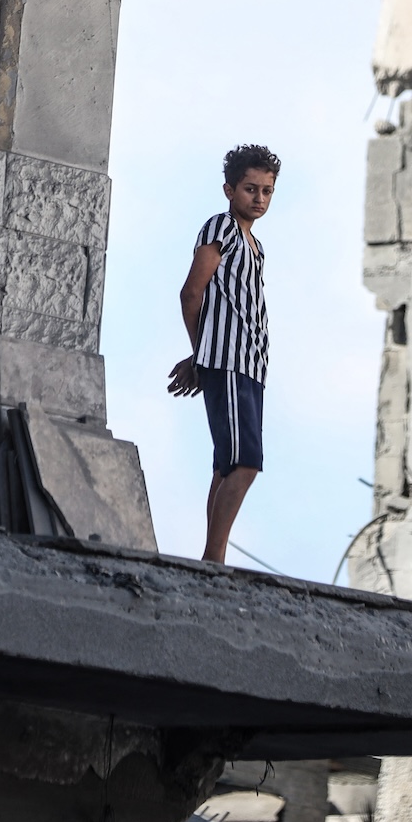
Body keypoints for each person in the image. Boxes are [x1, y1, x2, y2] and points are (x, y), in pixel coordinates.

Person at [167, 144, 279, 564]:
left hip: (251, 365)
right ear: (229, 189)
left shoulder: (256, 247)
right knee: (245, 462)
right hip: (227, 361)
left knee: (227, 464)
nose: (260, 198)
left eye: (267, 191)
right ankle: (213, 559)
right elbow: (191, 292)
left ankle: (212, 556)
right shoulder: (222, 228)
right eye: (251, 189)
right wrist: (203, 354)